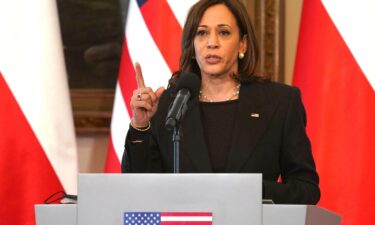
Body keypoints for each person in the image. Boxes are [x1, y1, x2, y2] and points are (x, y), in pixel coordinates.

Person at [122, 0, 320, 205]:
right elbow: (139, 189)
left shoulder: (280, 102)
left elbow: (306, 189)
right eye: (202, 33)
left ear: (242, 43)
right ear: (192, 46)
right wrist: (140, 125)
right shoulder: (168, 106)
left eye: (224, 32)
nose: (212, 42)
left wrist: (248, 191)